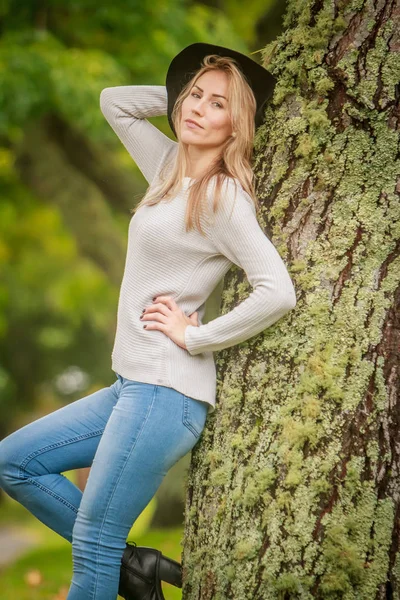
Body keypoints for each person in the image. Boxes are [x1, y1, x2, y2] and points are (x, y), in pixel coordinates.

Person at [0, 43, 297, 600]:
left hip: (166, 393)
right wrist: (189, 93)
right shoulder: (167, 169)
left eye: (217, 106)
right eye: (194, 97)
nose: (196, 109)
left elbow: (277, 290)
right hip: (129, 387)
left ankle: (117, 561)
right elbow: (114, 103)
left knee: (93, 545)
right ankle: (134, 565)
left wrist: (197, 335)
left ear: (239, 126)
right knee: (14, 463)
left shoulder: (221, 197)